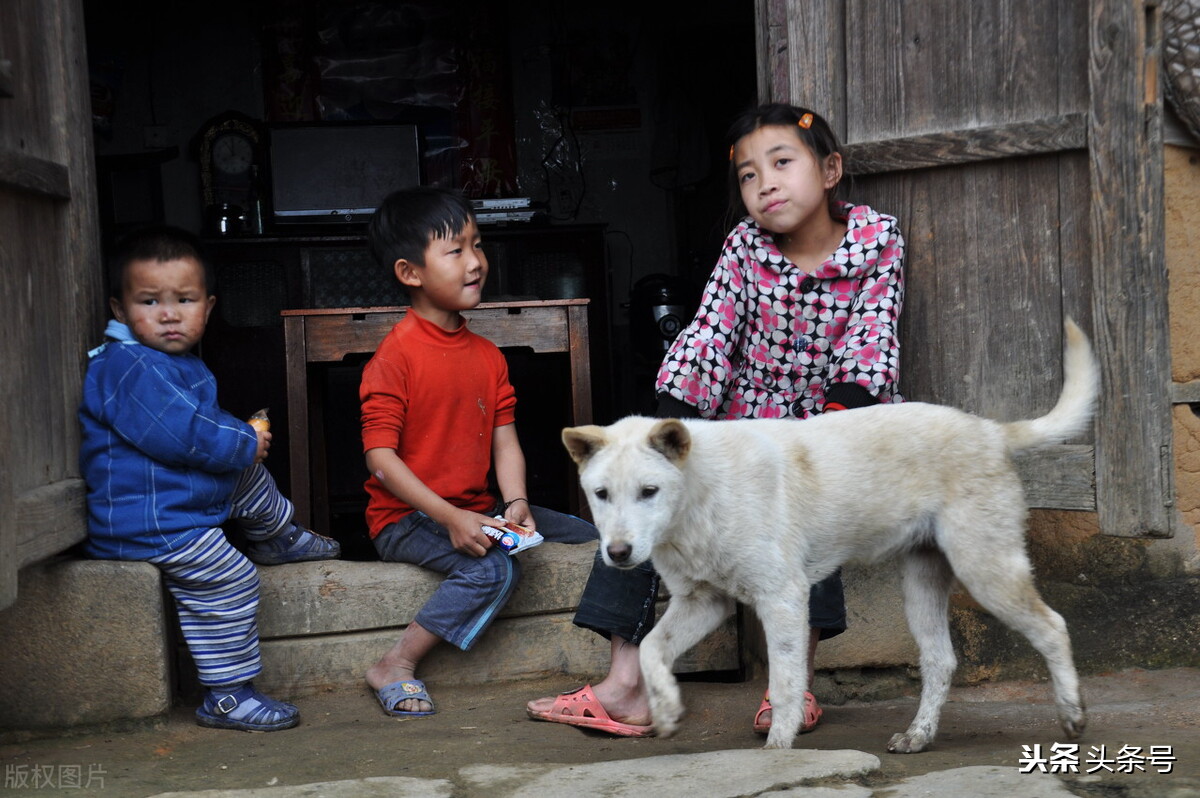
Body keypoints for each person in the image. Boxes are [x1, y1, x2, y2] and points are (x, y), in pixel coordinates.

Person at [528, 102, 905, 736]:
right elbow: (709, 337)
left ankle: (793, 690)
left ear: (831, 169)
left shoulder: (876, 243)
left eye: (782, 164)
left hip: (829, 427)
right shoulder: (744, 247)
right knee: (639, 504)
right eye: (749, 176)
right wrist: (659, 435)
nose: (767, 185)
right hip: (739, 429)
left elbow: (871, 342)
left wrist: (830, 436)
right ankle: (629, 685)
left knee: (809, 521)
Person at [360, 186, 611, 718]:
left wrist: (515, 501)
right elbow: (380, 461)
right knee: (494, 571)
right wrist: (450, 517)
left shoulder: (487, 355)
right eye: (456, 251)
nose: (476, 262)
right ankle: (395, 664)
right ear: (411, 273)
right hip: (406, 519)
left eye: (478, 245)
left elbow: (505, 439)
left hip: (478, 508)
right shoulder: (395, 357)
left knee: (590, 535)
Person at [79, 226, 342, 732]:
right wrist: (245, 438)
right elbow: (183, 434)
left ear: (209, 306)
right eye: (150, 301)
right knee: (231, 579)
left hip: (171, 499)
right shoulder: (129, 365)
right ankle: (225, 696)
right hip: (149, 522)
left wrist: (241, 446)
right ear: (119, 310)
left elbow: (196, 431)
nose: (170, 313)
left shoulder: (172, 361)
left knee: (245, 472)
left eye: (185, 299)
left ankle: (276, 536)